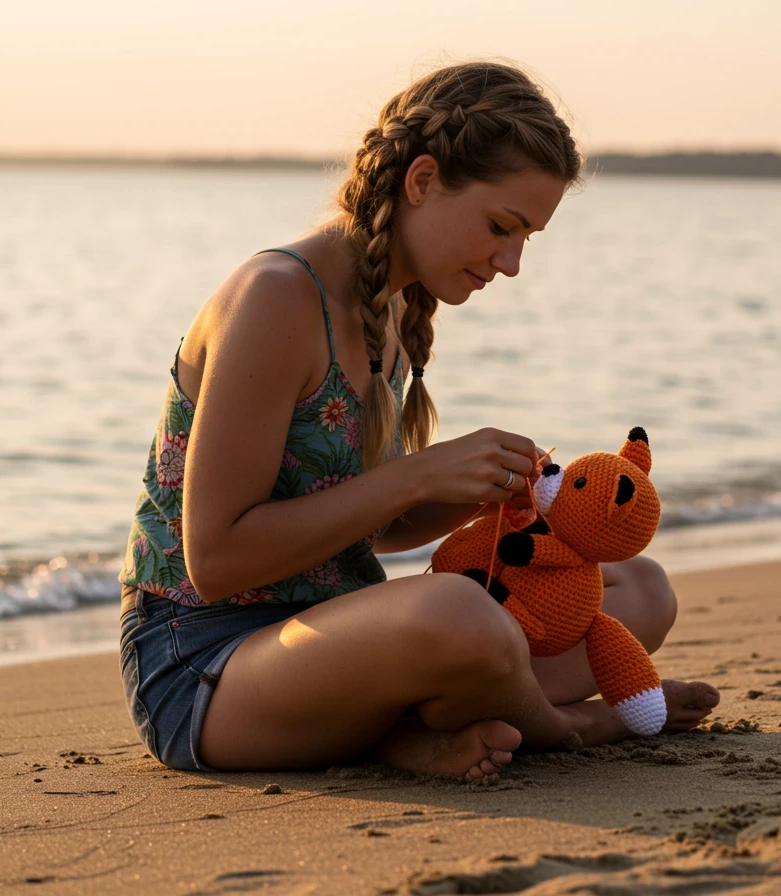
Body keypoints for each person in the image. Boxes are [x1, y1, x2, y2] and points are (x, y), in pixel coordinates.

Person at [117, 60, 720, 781]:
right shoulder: (279, 298)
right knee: (458, 616)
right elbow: (215, 562)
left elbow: (364, 526)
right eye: (502, 227)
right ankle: (568, 727)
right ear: (423, 181)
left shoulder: (395, 307)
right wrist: (419, 474)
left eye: (528, 236)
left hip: (339, 633)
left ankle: (408, 735)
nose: (512, 261)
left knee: (637, 587)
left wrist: (470, 491)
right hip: (206, 666)